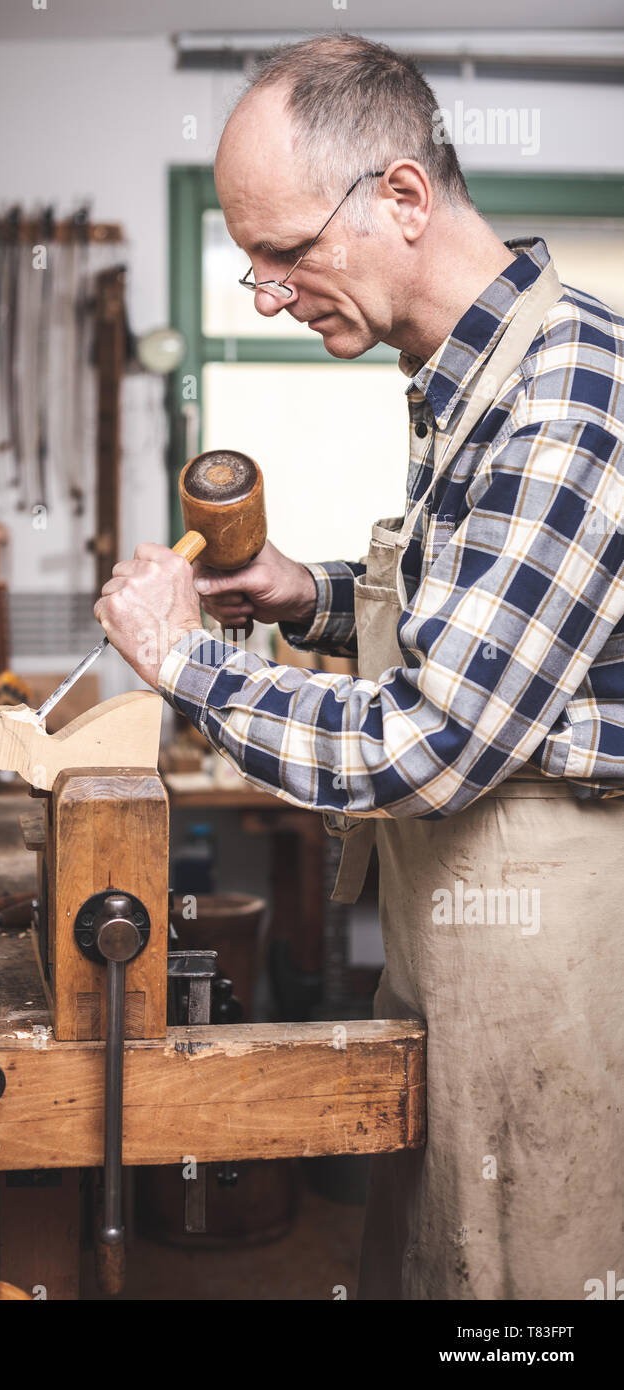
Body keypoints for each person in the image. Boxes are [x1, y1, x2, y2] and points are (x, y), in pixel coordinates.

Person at [94, 34, 624, 1300]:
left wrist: (187, 665)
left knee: (522, 1284)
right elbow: (485, 627)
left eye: (284, 254)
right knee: (438, 1262)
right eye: (250, 261)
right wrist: (302, 594)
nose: (266, 294)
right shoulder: (463, 380)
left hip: (544, 959)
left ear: (399, 196)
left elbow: (431, 739)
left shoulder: (568, 392)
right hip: (449, 927)